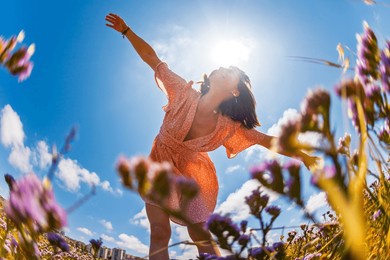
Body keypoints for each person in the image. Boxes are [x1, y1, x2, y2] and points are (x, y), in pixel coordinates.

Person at [105, 13, 318, 259]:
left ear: (235, 90)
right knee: (160, 232)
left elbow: (267, 141)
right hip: (159, 165)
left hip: (194, 175)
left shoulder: (229, 127)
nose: (222, 69)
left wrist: (302, 155)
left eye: (230, 72)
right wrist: (126, 30)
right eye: (222, 67)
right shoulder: (183, 92)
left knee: (201, 236)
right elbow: (153, 59)